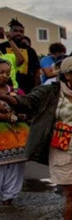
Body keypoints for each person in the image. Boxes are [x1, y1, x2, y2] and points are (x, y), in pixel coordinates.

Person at [2, 57, 72, 220]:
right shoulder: (49, 91)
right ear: (66, 76)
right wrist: (6, 98)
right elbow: (26, 102)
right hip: (61, 146)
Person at [0, 59, 29, 204]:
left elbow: (26, 107)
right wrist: (6, 116)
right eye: (1, 72)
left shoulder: (16, 92)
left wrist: (20, 115)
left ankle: (8, 200)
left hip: (16, 140)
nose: (5, 75)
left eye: (7, 72)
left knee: (15, 172)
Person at [2, 19, 40, 91]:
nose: (18, 33)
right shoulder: (2, 47)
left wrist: (36, 88)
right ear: (10, 32)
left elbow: (36, 71)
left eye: (21, 32)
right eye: (15, 31)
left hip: (27, 89)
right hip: (6, 87)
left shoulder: (30, 51)